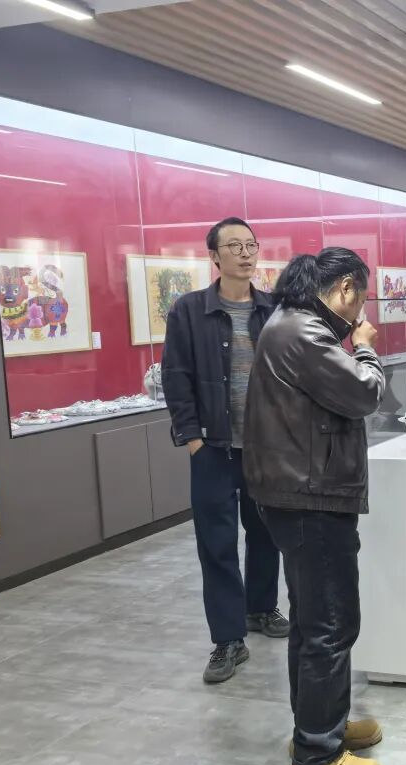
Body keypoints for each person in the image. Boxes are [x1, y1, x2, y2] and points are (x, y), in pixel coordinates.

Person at [243, 247, 386, 765]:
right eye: (361, 298)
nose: (360, 311)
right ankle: (317, 756)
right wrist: (365, 347)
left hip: (300, 491)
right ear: (345, 287)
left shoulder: (291, 323)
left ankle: (319, 725)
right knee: (330, 624)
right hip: (312, 496)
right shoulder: (305, 332)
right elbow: (364, 393)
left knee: (312, 620)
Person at [162, 216, 288, 685]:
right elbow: (175, 376)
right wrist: (191, 438)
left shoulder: (274, 309)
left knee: (266, 534)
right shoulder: (189, 310)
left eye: (250, 244)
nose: (245, 253)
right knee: (216, 545)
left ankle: (261, 608)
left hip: (265, 446)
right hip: (213, 446)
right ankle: (228, 639)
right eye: (234, 246)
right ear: (214, 256)